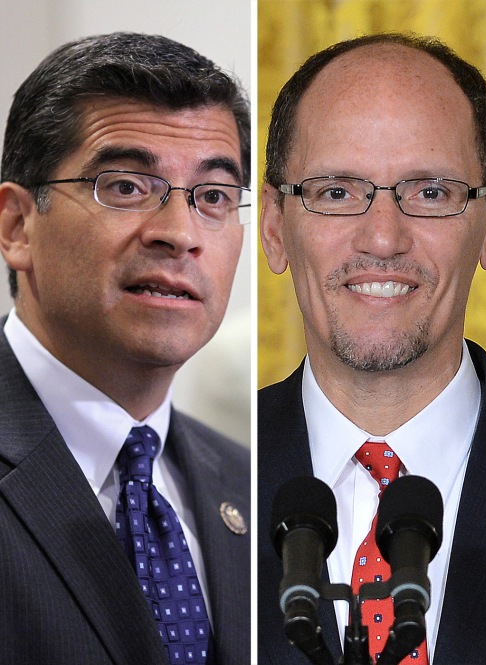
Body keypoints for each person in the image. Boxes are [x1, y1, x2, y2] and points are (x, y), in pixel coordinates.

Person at [0, 33, 251, 664]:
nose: (180, 234)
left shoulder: (257, 488)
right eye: (127, 187)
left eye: (214, 196)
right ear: (16, 227)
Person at [258, 33, 486, 664]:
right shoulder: (195, 486)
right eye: (336, 192)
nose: (384, 237)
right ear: (273, 230)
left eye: (430, 192)